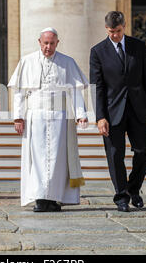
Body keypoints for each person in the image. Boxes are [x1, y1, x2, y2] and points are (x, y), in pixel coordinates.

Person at [8, 27, 88, 212]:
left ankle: (55, 198)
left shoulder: (67, 62)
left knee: (58, 160)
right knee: (37, 159)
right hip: (35, 117)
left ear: (57, 43)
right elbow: (19, 93)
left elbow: (75, 91)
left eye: (52, 43)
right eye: (45, 43)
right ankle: (40, 198)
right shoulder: (27, 61)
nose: (48, 47)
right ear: (39, 42)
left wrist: (80, 115)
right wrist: (18, 117)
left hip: (61, 117)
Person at [89, 11, 146, 212]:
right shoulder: (97, 51)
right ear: (106, 29)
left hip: (138, 109)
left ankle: (134, 189)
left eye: (118, 31)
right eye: (111, 31)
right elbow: (98, 87)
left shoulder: (139, 46)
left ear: (124, 26)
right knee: (115, 155)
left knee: (142, 152)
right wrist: (100, 116)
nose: (115, 35)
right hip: (112, 113)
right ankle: (121, 195)